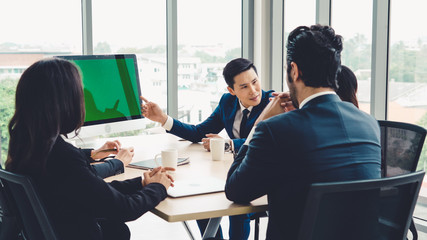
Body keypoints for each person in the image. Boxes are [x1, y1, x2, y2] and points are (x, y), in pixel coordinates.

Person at [225, 25, 381, 239]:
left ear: (294, 71)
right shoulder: (369, 124)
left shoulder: (274, 129)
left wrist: (260, 122)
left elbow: (235, 191)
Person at [6, 58, 174, 240]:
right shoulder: (62, 157)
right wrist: (158, 187)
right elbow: (124, 209)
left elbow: (93, 191)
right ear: (65, 103)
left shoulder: (25, 144)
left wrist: (140, 183)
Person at [141, 58, 275, 240]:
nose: (253, 90)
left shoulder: (272, 102)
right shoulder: (227, 102)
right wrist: (163, 118)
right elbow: (199, 133)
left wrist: (228, 144)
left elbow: (266, 141)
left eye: (254, 82)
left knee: (237, 209)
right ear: (231, 90)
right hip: (231, 171)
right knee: (201, 207)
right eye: (244, 86)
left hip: (259, 175)